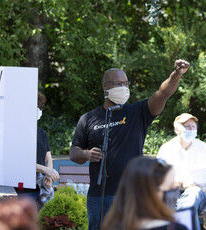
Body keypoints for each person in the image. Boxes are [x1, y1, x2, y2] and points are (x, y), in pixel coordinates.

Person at [69, 60, 190, 230]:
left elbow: (162, 94)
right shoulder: (88, 118)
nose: (123, 87)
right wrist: (87, 154)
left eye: (126, 84)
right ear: (105, 86)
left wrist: (176, 75)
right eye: (118, 84)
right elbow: (74, 152)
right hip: (99, 196)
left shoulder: (137, 112)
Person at [157, 113, 206, 230]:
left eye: (193, 127)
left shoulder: (203, 148)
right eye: (187, 127)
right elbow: (159, 180)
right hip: (171, 195)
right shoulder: (167, 149)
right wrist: (183, 184)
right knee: (189, 203)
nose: (191, 130)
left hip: (199, 194)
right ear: (177, 129)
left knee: (193, 194)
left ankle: (181, 217)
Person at [101, 157, 187, 230]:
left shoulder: (111, 225)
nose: (176, 191)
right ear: (150, 194)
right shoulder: (174, 227)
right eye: (171, 186)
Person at [14, 92, 59, 210]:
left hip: (40, 189)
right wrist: (45, 169)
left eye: (42, 106)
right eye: (37, 106)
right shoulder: (17, 132)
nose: (39, 109)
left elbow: (48, 158)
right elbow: (20, 161)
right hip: (22, 190)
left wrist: (48, 176)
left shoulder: (41, 133)